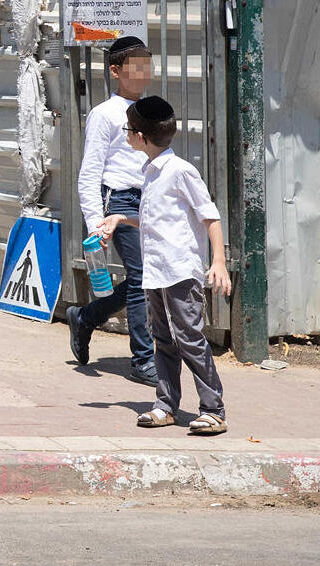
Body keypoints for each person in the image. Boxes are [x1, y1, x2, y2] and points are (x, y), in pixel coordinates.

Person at [97, 96, 229, 436]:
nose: (126, 135)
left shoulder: (180, 171)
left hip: (180, 271)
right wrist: (119, 219)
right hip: (155, 271)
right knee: (163, 339)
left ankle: (213, 409)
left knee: (189, 338)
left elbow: (210, 216)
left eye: (128, 130)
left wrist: (218, 262)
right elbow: (154, 221)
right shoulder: (150, 171)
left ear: (141, 136)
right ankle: (166, 405)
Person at [69, 36, 157, 387]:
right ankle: (144, 360)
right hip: (119, 202)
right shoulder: (104, 114)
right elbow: (89, 172)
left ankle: (86, 317)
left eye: (146, 63)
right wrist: (95, 225)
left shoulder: (153, 108)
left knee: (147, 278)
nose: (142, 71)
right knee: (141, 278)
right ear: (116, 71)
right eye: (135, 65)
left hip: (150, 201)